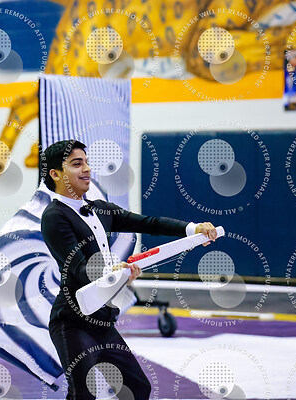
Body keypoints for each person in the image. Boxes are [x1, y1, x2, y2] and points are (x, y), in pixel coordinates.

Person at [41, 140, 217, 399]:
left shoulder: (100, 209)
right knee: (83, 394)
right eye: (77, 164)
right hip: (73, 322)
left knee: (137, 388)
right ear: (56, 174)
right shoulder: (54, 216)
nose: (87, 169)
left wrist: (193, 229)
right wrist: (116, 274)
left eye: (87, 162)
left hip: (103, 320)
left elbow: (150, 223)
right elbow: (79, 268)